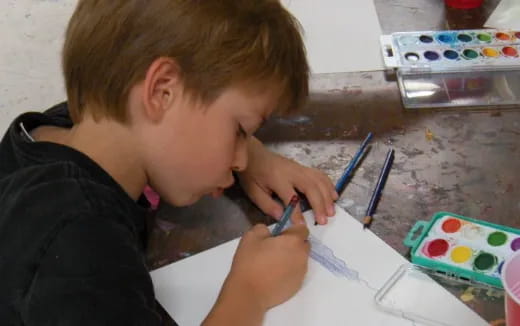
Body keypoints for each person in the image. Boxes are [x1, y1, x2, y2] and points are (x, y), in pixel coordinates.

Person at [0, 1, 338, 325]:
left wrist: (255, 158)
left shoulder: (63, 130)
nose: (240, 159)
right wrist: (250, 293)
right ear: (162, 91)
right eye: (239, 130)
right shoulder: (79, 247)